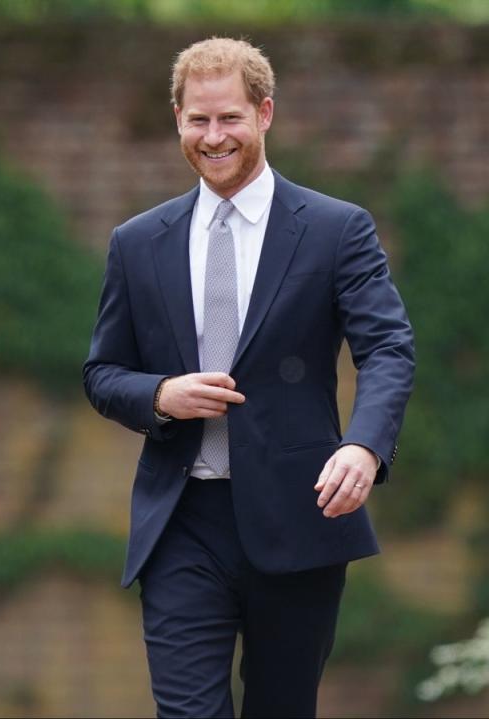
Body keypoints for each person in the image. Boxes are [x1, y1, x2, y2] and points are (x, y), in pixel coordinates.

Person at [83, 37, 413, 718]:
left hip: (299, 513)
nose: (213, 136)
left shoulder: (335, 229)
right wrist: (159, 394)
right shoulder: (138, 241)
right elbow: (102, 372)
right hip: (182, 521)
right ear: (177, 119)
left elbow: (388, 347)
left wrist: (364, 443)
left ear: (265, 113)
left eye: (229, 117)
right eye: (197, 119)